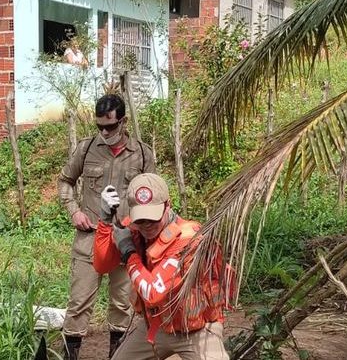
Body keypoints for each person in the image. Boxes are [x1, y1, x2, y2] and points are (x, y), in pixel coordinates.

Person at [58, 94, 156, 359]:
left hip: (126, 239)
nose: (104, 132)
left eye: (110, 126)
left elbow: (153, 196)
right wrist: (74, 211)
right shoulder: (87, 149)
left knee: (122, 305)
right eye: (99, 126)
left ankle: (117, 355)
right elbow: (65, 181)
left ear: (123, 122)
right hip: (89, 238)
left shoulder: (143, 154)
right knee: (79, 302)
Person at [93, 174, 232, 360]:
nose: (147, 225)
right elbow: (102, 265)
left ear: (168, 205)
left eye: (153, 218)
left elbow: (152, 292)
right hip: (159, 324)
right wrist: (105, 223)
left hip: (198, 328)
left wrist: (128, 253)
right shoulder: (134, 229)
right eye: (141, 219)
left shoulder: (187, 239)